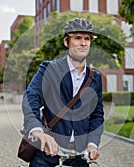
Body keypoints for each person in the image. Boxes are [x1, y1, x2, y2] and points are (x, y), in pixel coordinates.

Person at [22, 18, 104, 167]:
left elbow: (97, 114)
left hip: (79, 157)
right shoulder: (49, 69)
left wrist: (93, 143)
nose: (83, 43)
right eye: (77, 38)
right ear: (67, 42)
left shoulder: (95, 78)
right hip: (46, 155)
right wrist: (36, 130)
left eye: (87, 39)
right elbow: (30, 97)